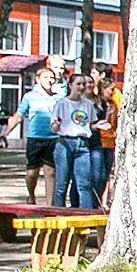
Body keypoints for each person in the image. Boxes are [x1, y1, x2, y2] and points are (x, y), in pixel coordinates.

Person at [2, 65, 61, 203]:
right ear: (38, 80)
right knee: (32, 173)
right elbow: (18, 116)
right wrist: (6, 133)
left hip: (53, 139)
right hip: (35, 138)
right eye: (46, 77)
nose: (49, 80)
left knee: (50, 172)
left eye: (52, 78)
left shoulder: (58, 98)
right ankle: (31, 196)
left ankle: (49, 206)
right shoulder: (29, 97)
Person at [49, 72, 102, 208]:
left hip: (82, 145)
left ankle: (85, 215)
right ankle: (58, 214)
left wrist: (98, 125)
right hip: (65, 143)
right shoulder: (62, 104)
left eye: (83, 84)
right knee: (62, 183)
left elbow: (89, 125)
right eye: (78, 84)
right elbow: (54, 128)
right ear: (71, 85)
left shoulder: (88, 104)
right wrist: (56, 124)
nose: (81, 87)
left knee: (84, 183)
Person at [93, 68, 121, 208]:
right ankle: (95, 202)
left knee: (106, 176)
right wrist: (107, 115)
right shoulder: (97, 104)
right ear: (103, 89)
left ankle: (101, 202)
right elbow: (99, 123)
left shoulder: (113, 104)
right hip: (100, 142)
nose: (112, 92)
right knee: (99, 175)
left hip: (111, 142)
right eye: (110, 89)